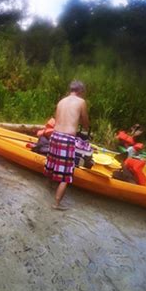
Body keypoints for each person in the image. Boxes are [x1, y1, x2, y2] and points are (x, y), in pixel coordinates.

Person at [44, 80, 90, 210]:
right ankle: (56, 203)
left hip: (55, 135)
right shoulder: (81, 102)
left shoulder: (61, 101)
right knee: (66, 173)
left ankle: (49, 186)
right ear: (81, 91)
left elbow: (59, 119)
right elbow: (85, 122)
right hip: (67, 138)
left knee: (52, 163)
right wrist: (84, 124)